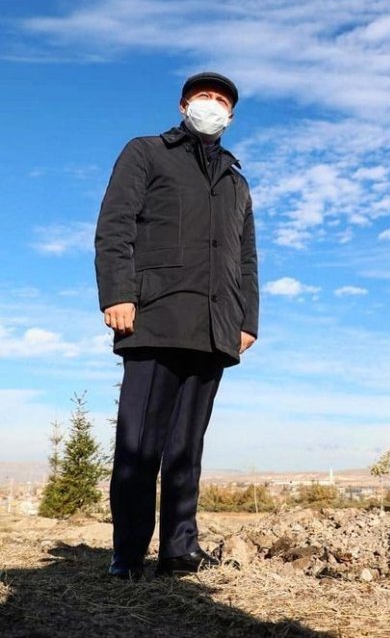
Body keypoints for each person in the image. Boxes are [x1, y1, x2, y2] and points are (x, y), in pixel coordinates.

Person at [95, 71, 259, 580]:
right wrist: (118, 292)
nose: (212, 105)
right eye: (204, 97)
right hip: (154, 316)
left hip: (215, 327)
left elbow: (247, 258)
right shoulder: (146, 152)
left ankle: (179, 550)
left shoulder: (236, 180)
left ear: (230, 116)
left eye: (222, 101)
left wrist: (247, 319)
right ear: (185, 104)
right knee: (140, 443)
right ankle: (127, 554)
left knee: (187, 446)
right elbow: (115, 225)